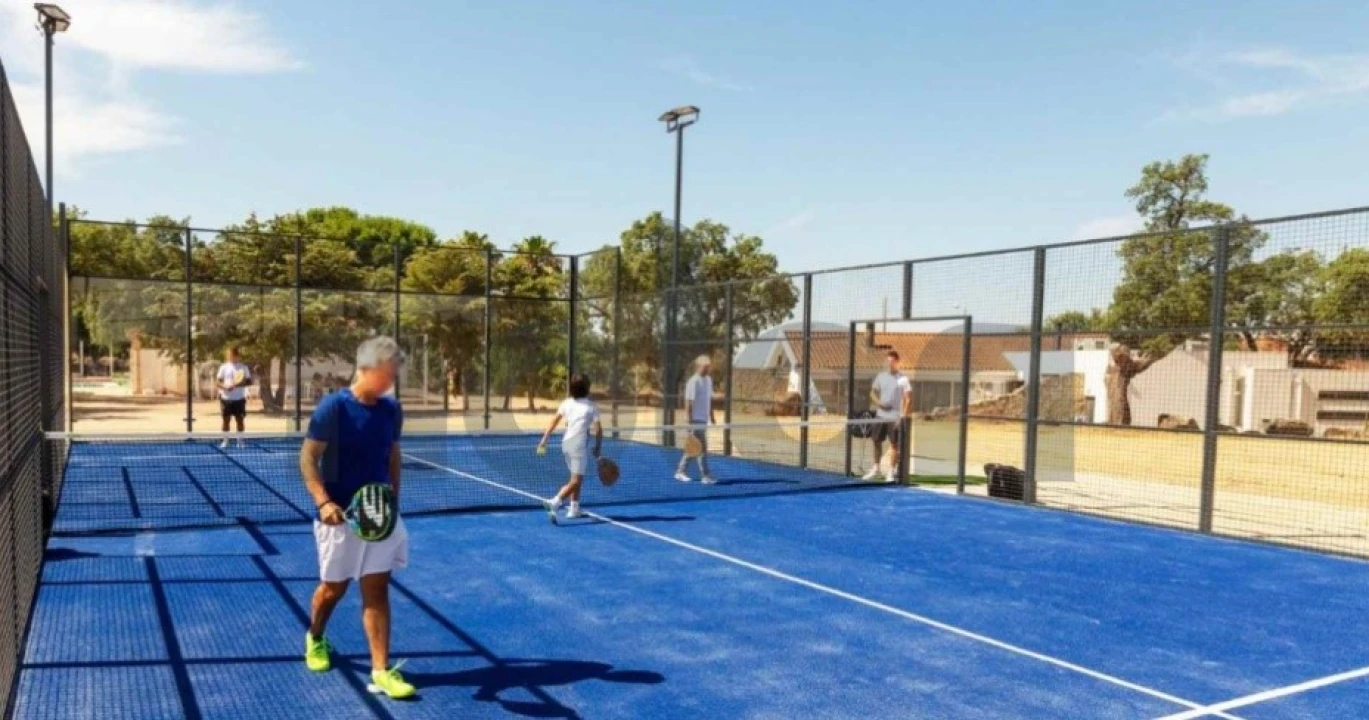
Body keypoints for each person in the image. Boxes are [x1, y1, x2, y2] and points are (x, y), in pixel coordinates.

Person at [298, 336, 415, 700]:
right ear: (366, 369)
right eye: (388, 372)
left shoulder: (391, 410)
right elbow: (308, 458)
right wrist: (323, 502)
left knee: (376, 588)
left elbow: (392, 456)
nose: (392, 380)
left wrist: (394, 497)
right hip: (339, 516)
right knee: (335, 588)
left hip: (379, 515)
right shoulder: (333, 407)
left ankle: (380, 670)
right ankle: (315, 637)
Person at [537, 374, 603, 523]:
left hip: (566, 444)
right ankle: (554, 502)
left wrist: (544, 440)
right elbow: (598, 429)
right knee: (576, 481)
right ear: (587, 388)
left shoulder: (566, 403)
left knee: (575, 477)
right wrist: (598, 446)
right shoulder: (591, 406)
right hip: (578, 445)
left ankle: (574, 508)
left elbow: (554, 421)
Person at [865, 349, 911, 483]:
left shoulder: (903, 379)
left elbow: (908, 399)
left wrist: (901, 416)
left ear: (897, 362)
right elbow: (872, 393)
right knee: (876, 441)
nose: (890, 364)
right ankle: (876, 468)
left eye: (892, 361)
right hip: (880, 416)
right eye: (888, 361)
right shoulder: (880, 376)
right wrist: (879, 403)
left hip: (894, 418)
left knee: (894, 445)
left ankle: (891, 472)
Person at [675, 355, 716, 484]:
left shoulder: (709, 380)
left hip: (703, 420)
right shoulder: (693, 382)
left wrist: (712, 416)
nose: (707, 370)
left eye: (708, 368)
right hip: (695, 420)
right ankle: (705, 475)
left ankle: (680, 471)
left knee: (694, 448)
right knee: (701, 448)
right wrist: (689, 422)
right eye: (705, 367)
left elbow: (709, 399)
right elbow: (689, 403)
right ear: (698, 367)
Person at [216, 347, 252, 448]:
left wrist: (237, 385)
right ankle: (225, 441)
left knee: (240, 420)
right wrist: (225, 387)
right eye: (228, 355)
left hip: (239, 399)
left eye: (232, 355)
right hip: (225, 399)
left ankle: (240, 441)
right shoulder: (223, 367)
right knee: (225, 420)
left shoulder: (243, 367)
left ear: (237, 355)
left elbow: (249, 381)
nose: (230, 356)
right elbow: (218, 382)